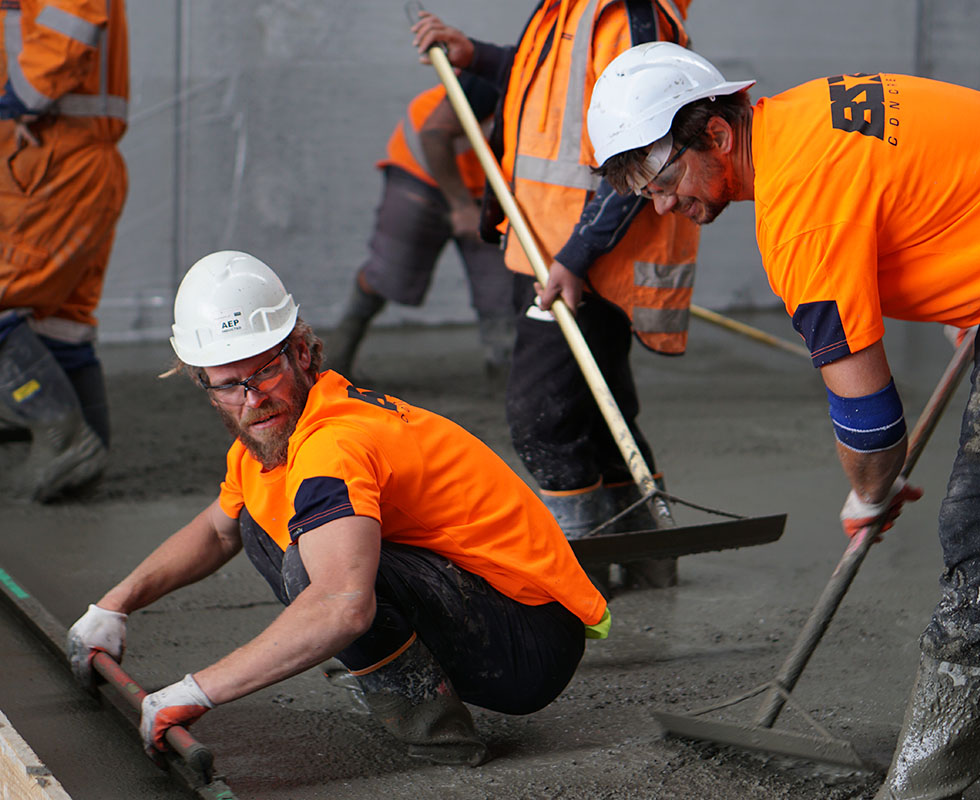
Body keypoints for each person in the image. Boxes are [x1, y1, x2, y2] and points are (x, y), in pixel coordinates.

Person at [587, 43, 980, 799]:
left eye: (663, 181)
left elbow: (867, 416)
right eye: (645, 193)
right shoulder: (801, 119)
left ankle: (929, 769)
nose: (662, 206)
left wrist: (869, 492)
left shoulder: (798, 207)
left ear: (717, 136)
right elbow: (933, 188)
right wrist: (974, 293)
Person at [65, 251, 609, 766]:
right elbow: (216, 531)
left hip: (531, 638)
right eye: (230, 387)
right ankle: (397, 672)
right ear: (207, 389)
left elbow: (341, 606)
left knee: (318, 571)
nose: (253, 401)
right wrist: (113, 607)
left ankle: (437, 734)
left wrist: (195, 691)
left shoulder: (334, 443)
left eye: (264, 374)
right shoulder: (265, 445)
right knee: (257, 520)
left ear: (301, 352)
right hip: (489, 607)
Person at [411, 1, 699, 595]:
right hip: (548, 248)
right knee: (596, 413)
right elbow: (560, 84)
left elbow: (643, 145)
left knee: (543, 419)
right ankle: (648, 560)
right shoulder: (572, 9)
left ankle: (582, 574)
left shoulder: (627, 15)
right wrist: (479, 56)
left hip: (582, 259)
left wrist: (577, 256)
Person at [0, 0, 128, 501]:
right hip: (63, 155)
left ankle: (62, 436)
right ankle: (82, 454)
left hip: (53, 156)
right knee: (58, 320)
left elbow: (70, 18)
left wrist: (21, 94)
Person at [325, 77, 516, 386]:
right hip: (419, 173)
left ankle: (506, 375)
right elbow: (434, 133)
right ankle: (337, 360)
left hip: (487, 187)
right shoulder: (490, 85)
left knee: (500, 287)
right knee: (388, 274)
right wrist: (461, 206)